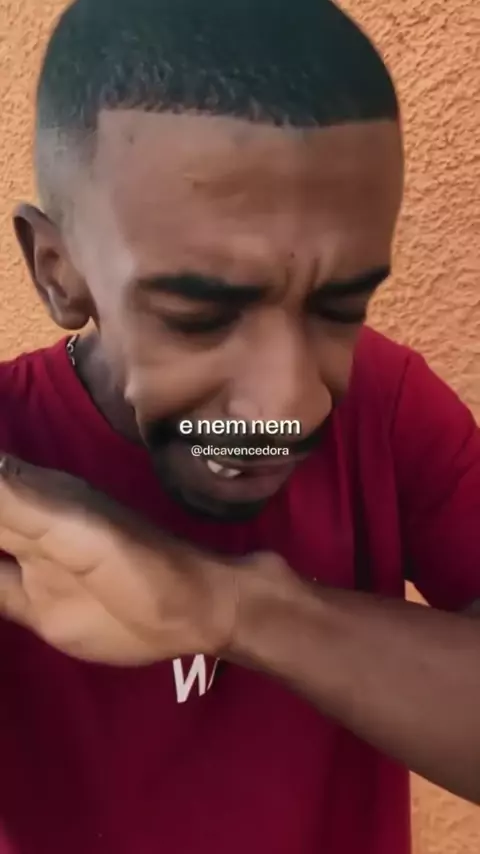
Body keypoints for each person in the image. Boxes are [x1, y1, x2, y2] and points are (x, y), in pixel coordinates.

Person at [0, 0, 479, 851]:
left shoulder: (391, 405)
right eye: (199, 315)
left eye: (341, 308)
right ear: (58, 271)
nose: (288, 404)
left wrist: (229, 607)